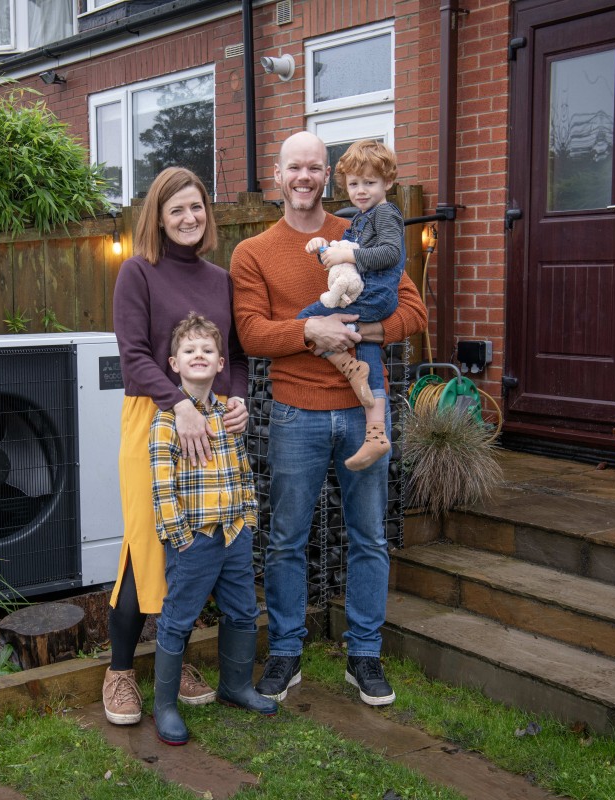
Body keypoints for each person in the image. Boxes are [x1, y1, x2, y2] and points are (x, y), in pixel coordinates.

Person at [229, 132, 427, 707]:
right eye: (295, 167)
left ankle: (364, 655)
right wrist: (310, 330)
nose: (304, 177)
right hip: (295, 414)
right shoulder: (254, 253)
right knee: (287, 539)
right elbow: (251, 334)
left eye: (315, 167)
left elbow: (412, 310)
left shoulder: (361, 230)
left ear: (328, 176)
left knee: (369, 538)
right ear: (278, 172)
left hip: (364, 411)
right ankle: (286, 650)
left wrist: (359, 332)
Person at [103, 167, 250, 726]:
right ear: (158, 219)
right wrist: (180, 405)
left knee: (198, 542)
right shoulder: (138, 272)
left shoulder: (219, 279)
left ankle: (175, 661)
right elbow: (134, 356)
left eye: (197, 208)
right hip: (154, 420)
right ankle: (119, 671)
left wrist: (233, 400)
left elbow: (228, 357)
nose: (189, 218)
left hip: (209, 423)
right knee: (149, 540)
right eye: (177, 210)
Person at [149, 313, 277, 745]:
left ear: (221, 364)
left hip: (234, 533)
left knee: (243, 610)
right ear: (174, 363)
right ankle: (164, 705)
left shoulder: (228, 416)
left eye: (207, 350)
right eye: (190, 351)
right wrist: (180, 539)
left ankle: (235, 686)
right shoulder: (167, 421)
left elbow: (243, 472)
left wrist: (248, 519)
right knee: (178, 619)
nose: (199, 356)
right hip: (195, 541)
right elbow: (162, 488)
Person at [298, 140, 405, 471]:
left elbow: (388, 253)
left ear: (387, 182)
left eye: (369, 183)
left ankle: (346, 366)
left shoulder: (385, 213)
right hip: (370, 296)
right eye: (354, 183)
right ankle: (376, 434)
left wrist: (347, 254)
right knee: (368, 350)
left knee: (305, 320)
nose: (360, 191)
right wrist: (325, 247)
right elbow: (346, 256)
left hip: (373, 296)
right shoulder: (362, 217)